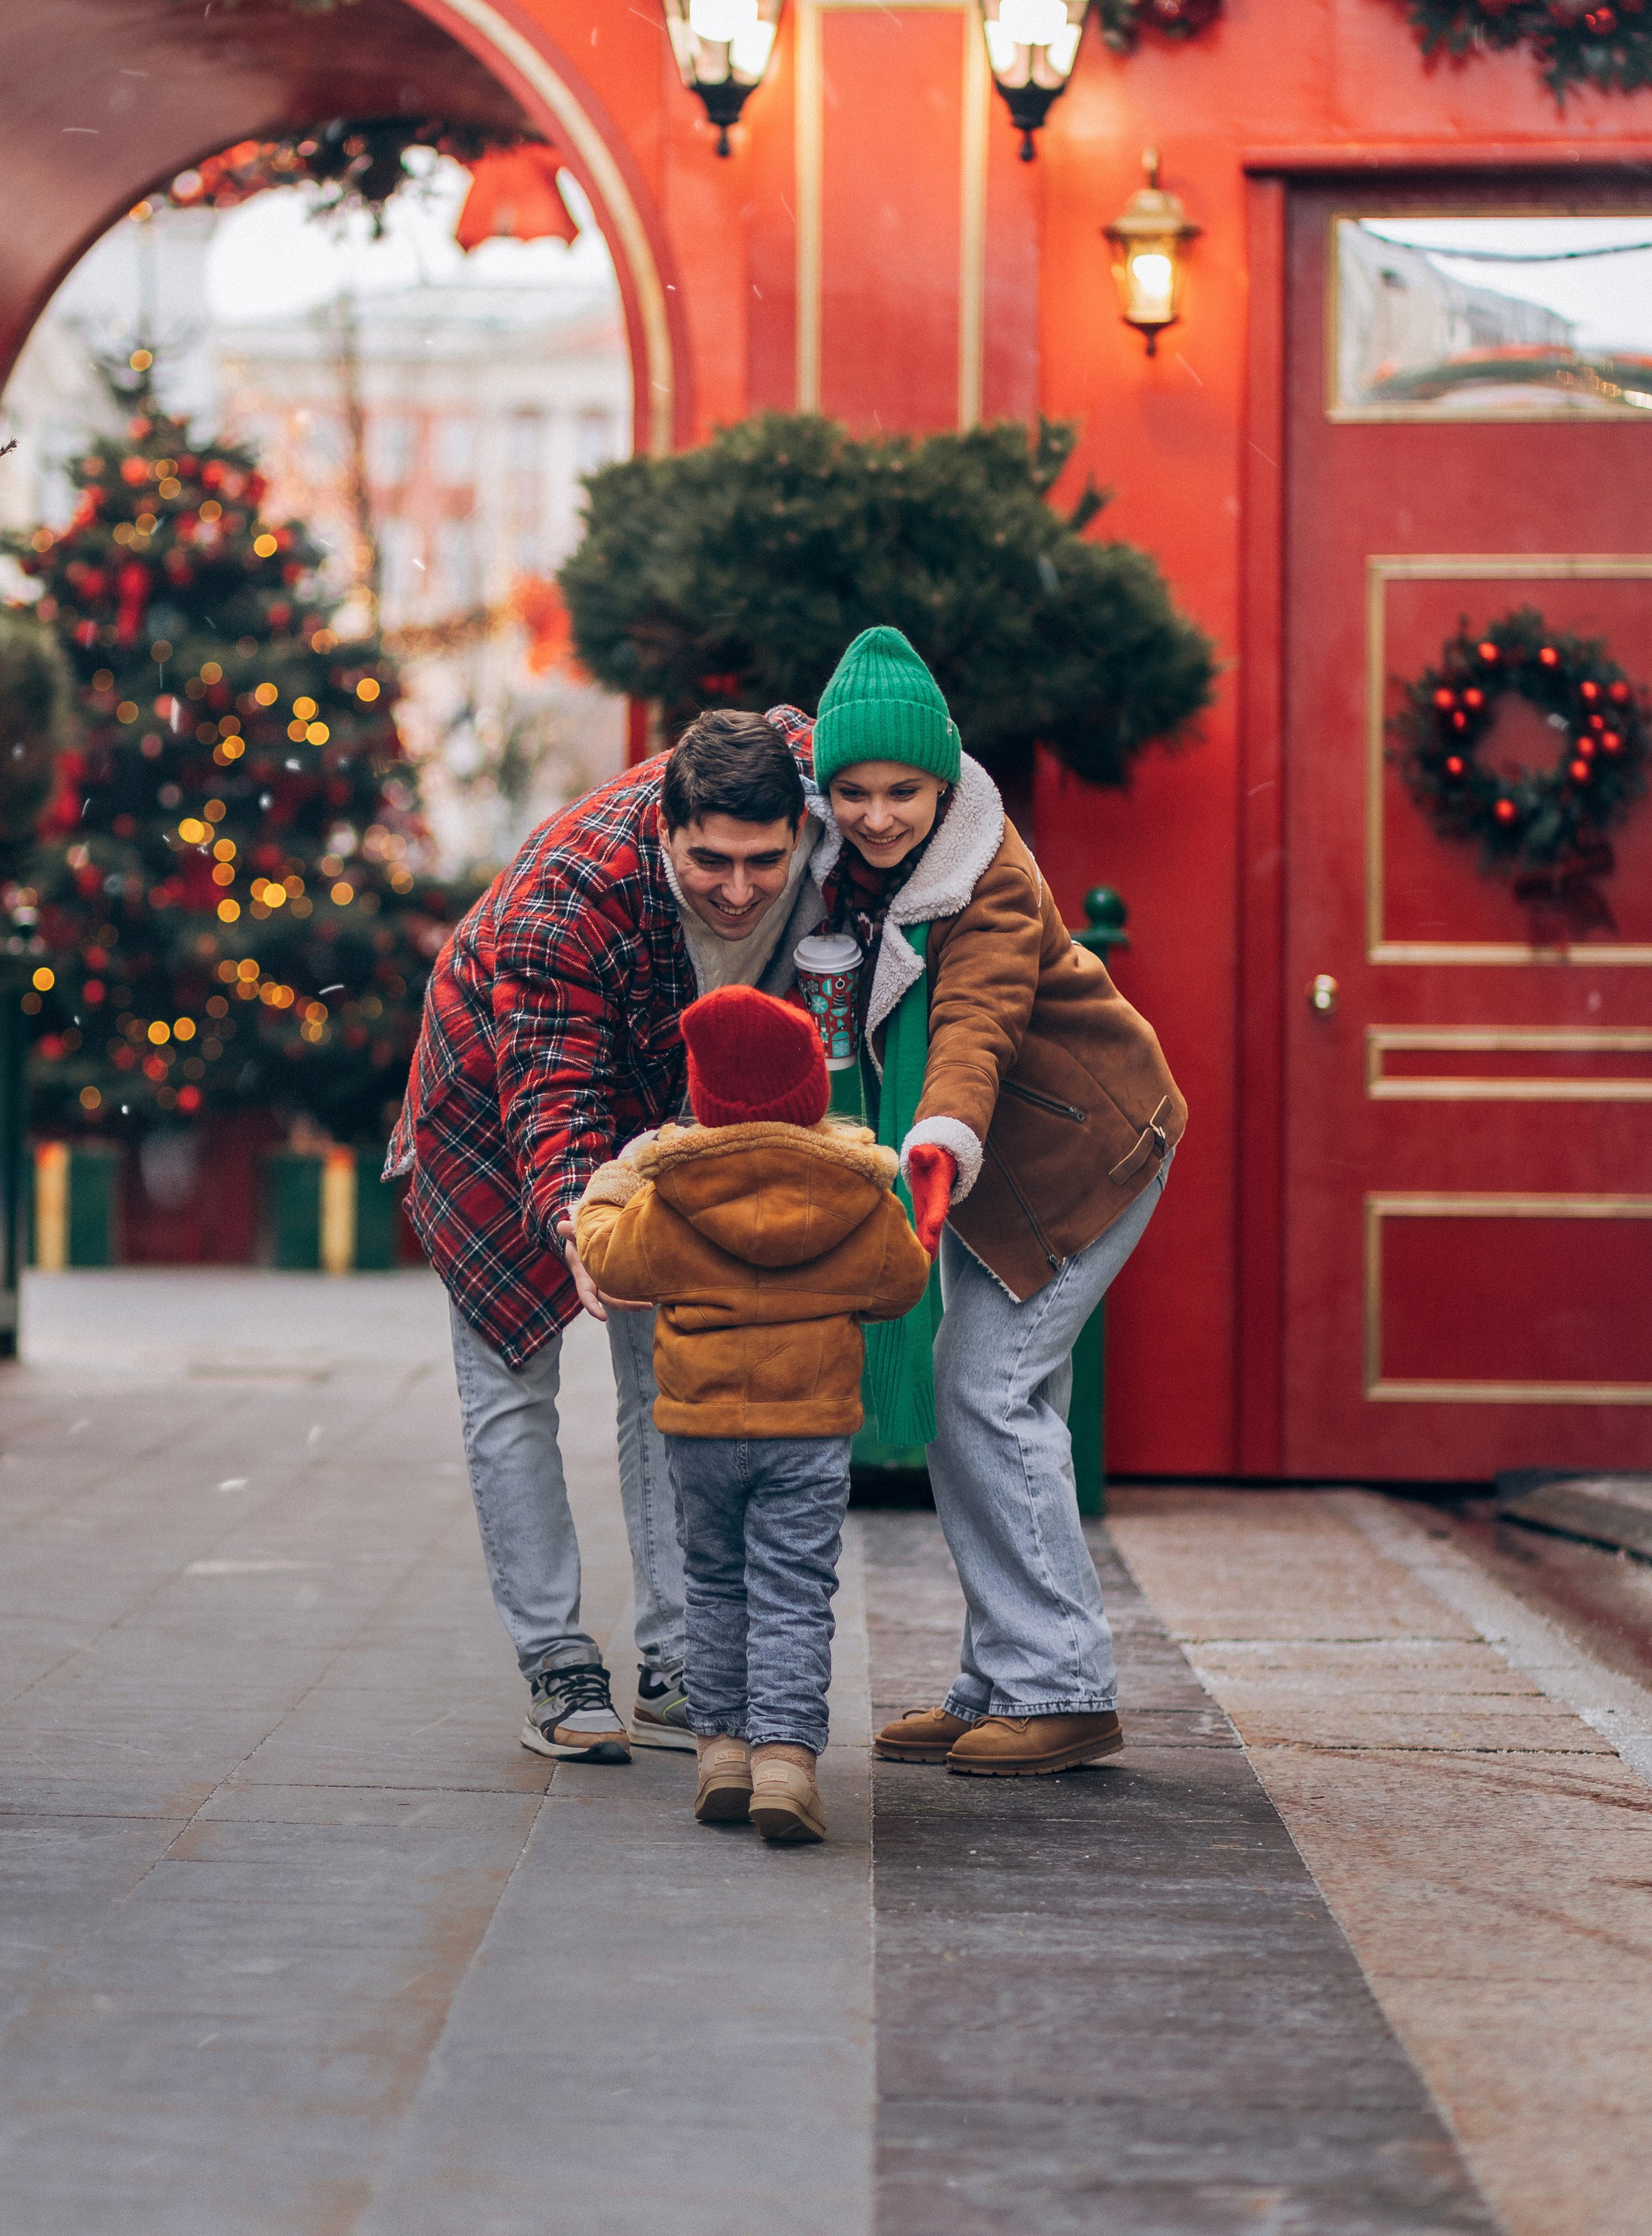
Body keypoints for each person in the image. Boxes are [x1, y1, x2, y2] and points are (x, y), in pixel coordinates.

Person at [385, 710, 829, 1763]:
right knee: (511, 1380)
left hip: (666, 1095)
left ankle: (676, 1666)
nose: (738, 890)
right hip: (495, 1098)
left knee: (667, 1372)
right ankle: (556, 1660)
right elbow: (554, 1093)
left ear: (801, 825)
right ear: (666, 828)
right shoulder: (571, 894)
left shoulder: (825, 778)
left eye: (764, 863)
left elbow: (910, 755)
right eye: (709, 861)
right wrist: (581, 1224)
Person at [800, 626, 1188, 1779]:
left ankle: (1062, 1686)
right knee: (986, 1407)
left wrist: (937, 1137)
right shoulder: (845, 875)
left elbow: (974, 1022)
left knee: (982, 1394)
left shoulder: (990, 875)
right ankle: (999, 1679)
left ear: (943, 781)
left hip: (1084, 1159)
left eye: (902, 791)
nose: (877, 815)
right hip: (991, 1181)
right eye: (854, 791)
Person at [575, 986, 929, 1844]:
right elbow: (902, 1284)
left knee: (713, 1583)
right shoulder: (855, 1191)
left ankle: (723, 1755)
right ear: (810, 1091)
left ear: (704, 1098)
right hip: (807, 1431)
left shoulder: (671, 1193)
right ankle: (785, 1764)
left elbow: (608, 1259)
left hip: (698, 1430)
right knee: (793, 1590)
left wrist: (615, 1177)